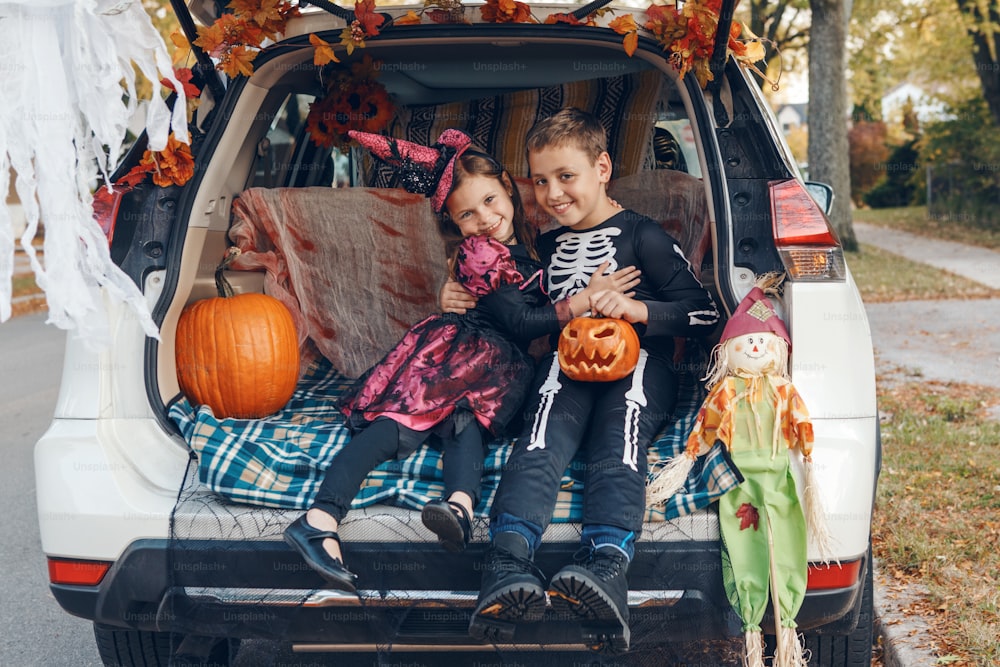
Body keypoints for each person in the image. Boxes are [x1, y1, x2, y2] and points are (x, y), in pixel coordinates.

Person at [283, 127, 642, 593]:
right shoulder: (482, 254)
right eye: (467, 215)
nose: (485, 218)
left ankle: (458, 507)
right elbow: (520, 323)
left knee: (467, 425)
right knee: (395, 428)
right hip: (458, 354)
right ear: (455, 225)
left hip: (492, 372)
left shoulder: (529, 241)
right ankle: (319, 518)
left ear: (508, 188)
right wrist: (583, 301)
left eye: (491, 201)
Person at [461, 108, 720, 649]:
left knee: (619, 433)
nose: (553, 192)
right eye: (540, 180)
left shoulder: (642, 236)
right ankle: (507, 563)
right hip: (566, 360)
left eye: (566, 176)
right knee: (541, 434)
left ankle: (606, 567)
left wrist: (638, 309)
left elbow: (704, 313)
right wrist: (455, 293)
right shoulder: (544, 246)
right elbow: (515, 310)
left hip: (641, 362)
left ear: (602, 168)